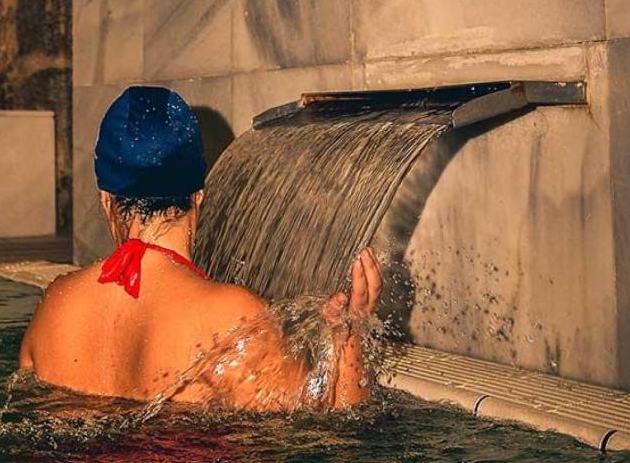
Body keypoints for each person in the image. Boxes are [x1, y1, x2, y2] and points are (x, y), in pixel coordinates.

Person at [19, 86, 381, 410]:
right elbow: (330, 444)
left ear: (106, 200)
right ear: (198, 196)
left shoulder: (56, 306)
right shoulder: (227, 318)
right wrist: (350, 333)